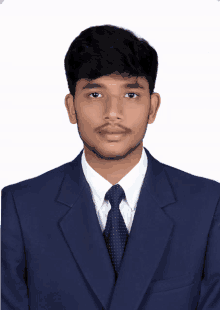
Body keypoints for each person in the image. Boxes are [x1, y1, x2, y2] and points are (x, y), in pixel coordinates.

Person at [1, 24, 220, 310]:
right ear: (71, 107)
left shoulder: (206, 204)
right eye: (95, 94)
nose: (112, 113)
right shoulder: (22, 206)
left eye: (131, 95)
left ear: (153, 108)